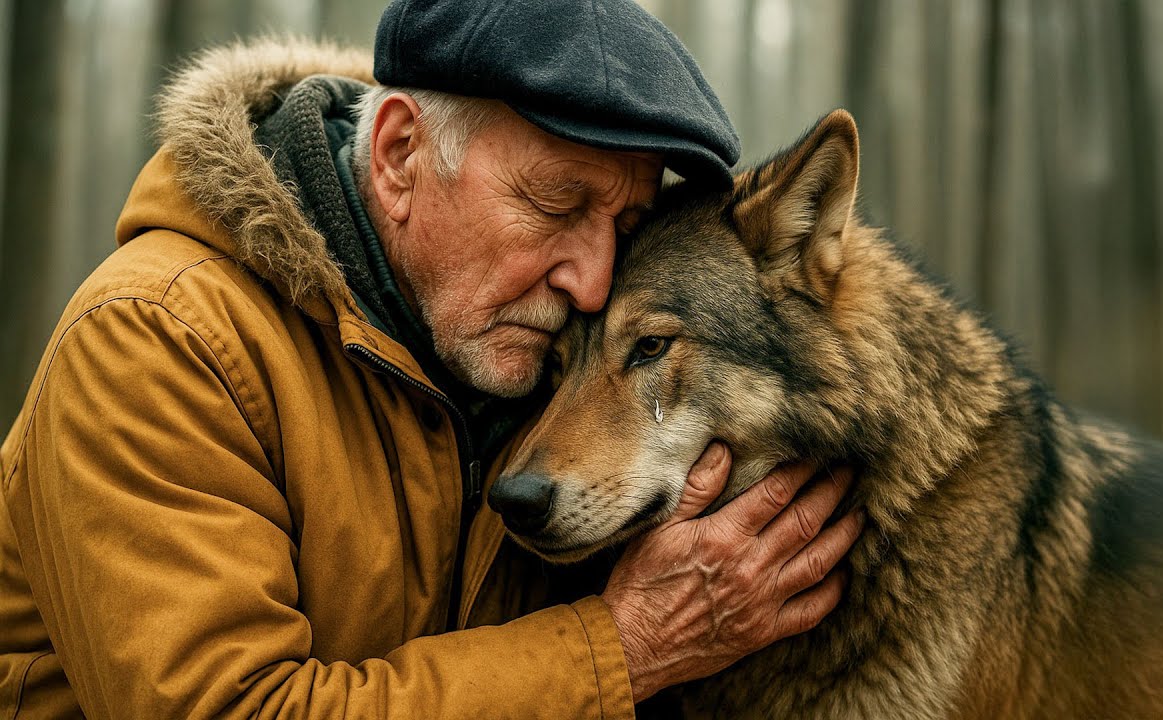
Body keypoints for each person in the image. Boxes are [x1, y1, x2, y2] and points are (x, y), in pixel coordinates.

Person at [0, 0, 862, 716]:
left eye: (625, 228)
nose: (594, 282)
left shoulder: (525, 352)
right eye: (556, 202)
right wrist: (624, 648)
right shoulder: (158, 340)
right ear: (400, 156)